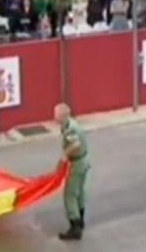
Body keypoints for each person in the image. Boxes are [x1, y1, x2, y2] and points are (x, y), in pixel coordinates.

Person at [54, 103, 89, 241]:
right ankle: (80, 221)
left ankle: (75, 227)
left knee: (70, 194)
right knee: (79, 192)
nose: (53, 116)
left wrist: (64, 157)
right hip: (83, 161)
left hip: (77, 164)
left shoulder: (70, 129)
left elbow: (75, 144)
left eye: (55, 114)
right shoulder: (70, 123)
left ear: (61, 116)